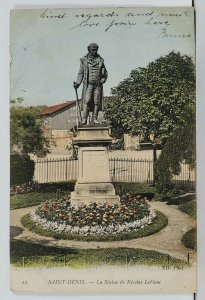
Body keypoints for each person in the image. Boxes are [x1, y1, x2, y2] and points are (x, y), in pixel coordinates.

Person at [73, 43, 108, 125]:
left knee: (96, 102)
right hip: (88, 84)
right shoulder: (83, 60)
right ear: (89, 49)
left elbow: (105, 73)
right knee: (87, 100)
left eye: (96, 49)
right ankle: (84, 119)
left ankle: (94, 119)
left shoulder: (100, 60)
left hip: (98, 85)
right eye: (93, 50)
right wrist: (78, 83)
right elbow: (81, 73)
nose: (94, 51)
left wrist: (104, 79)